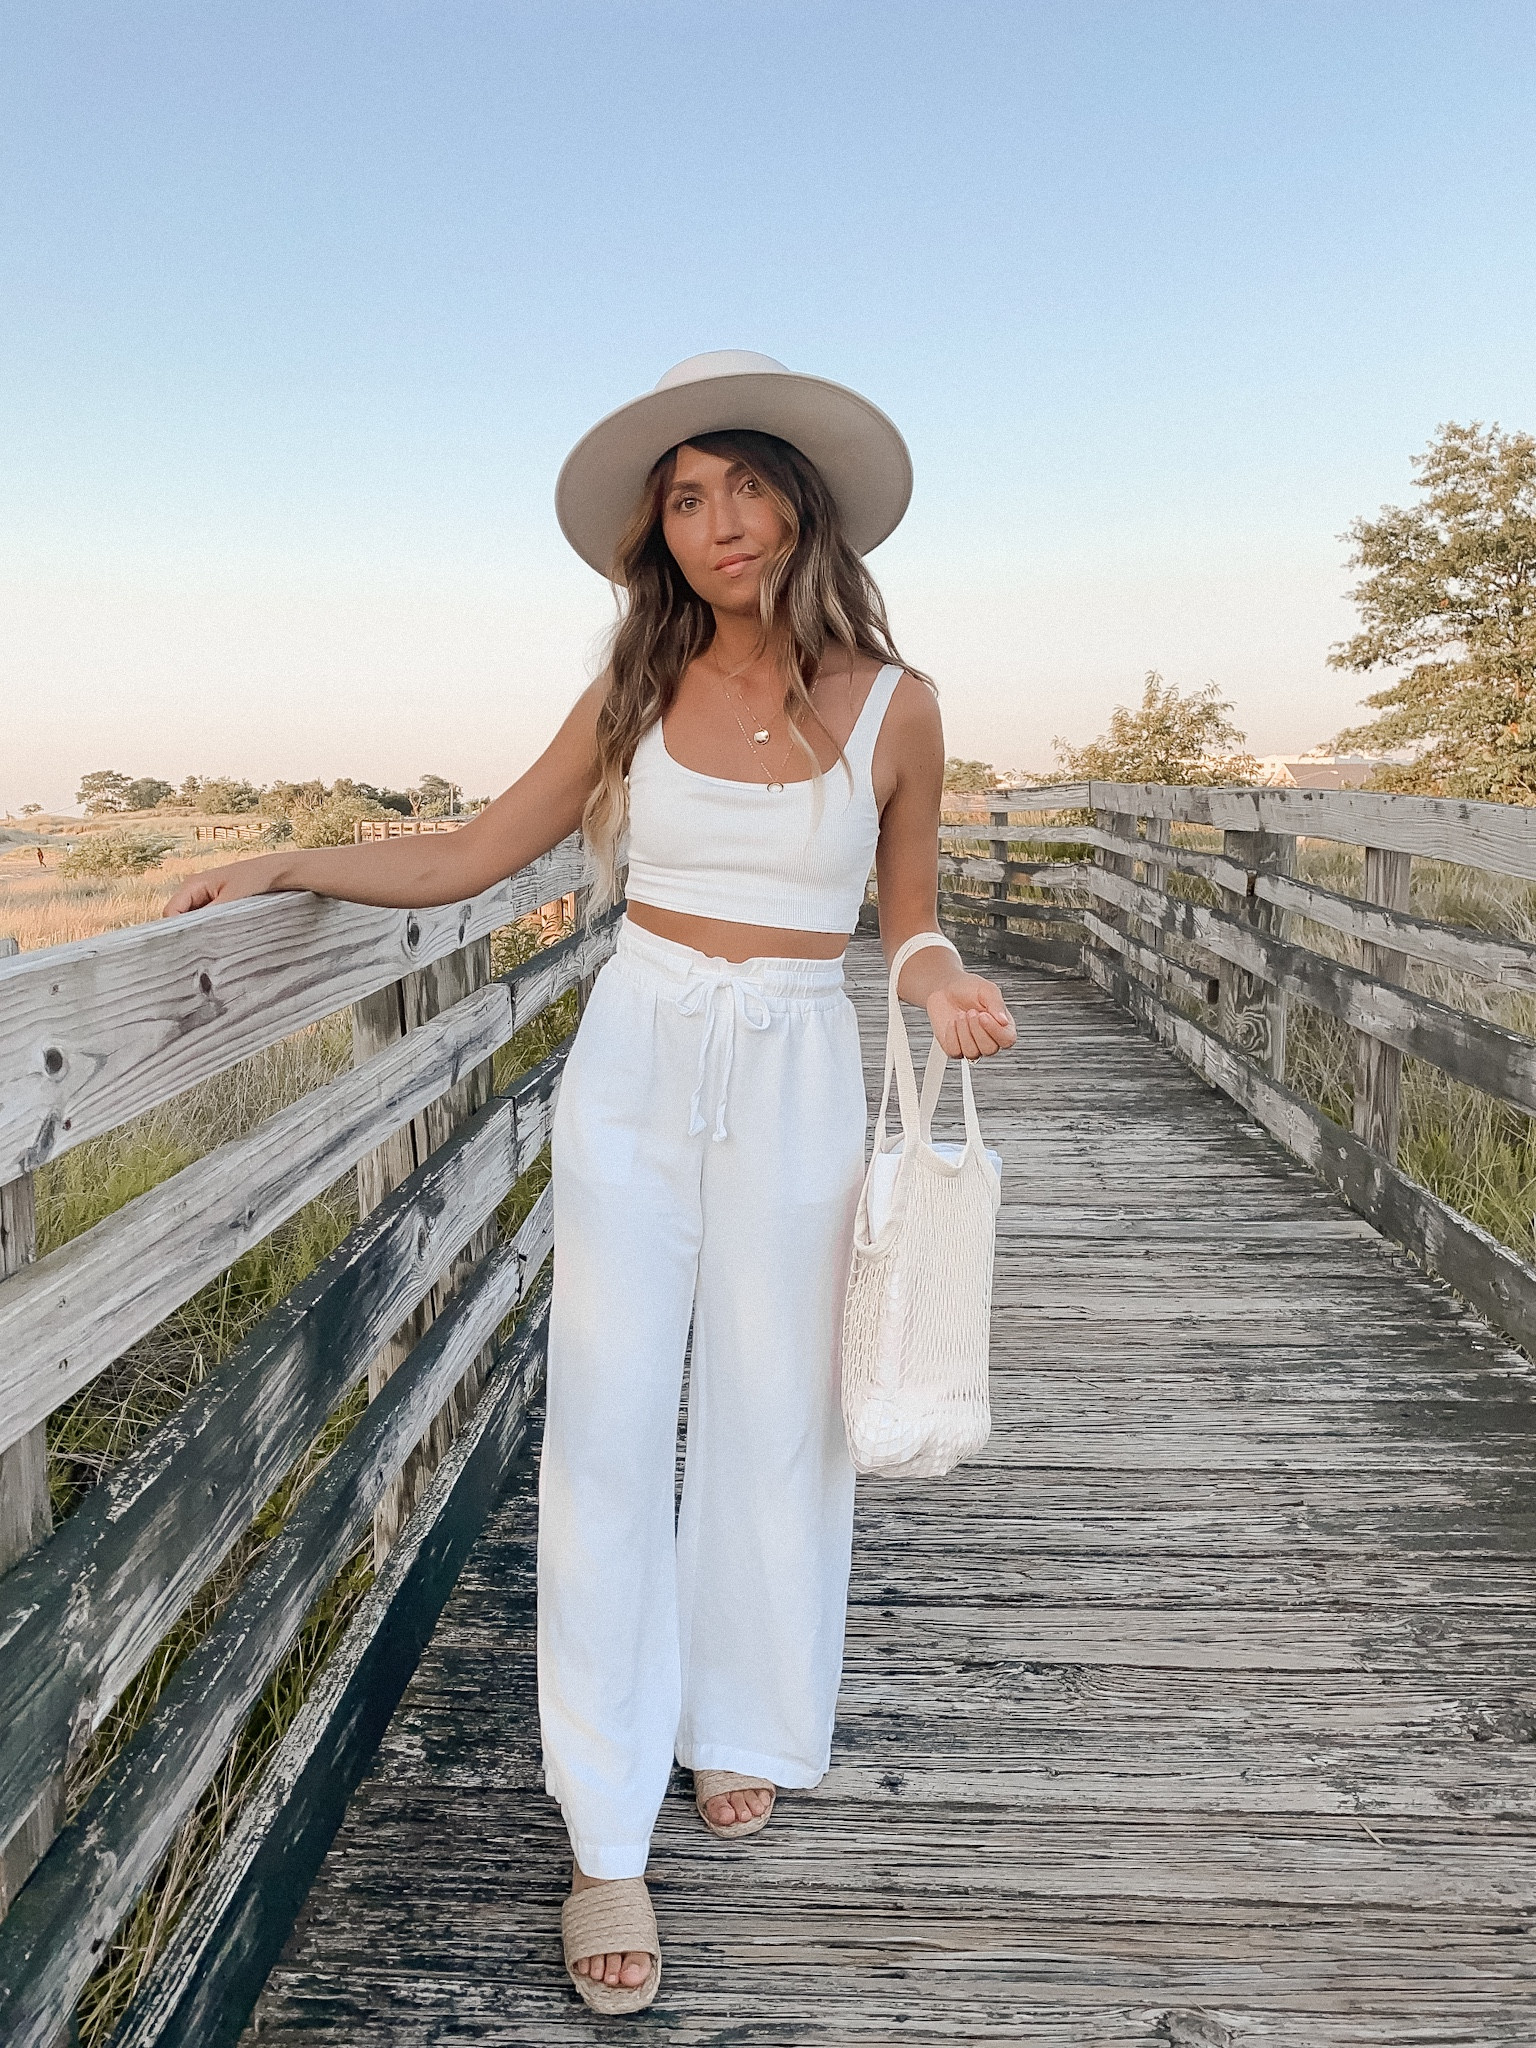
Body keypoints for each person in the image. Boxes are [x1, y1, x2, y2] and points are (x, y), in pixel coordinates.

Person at [164, 350, 1017, 2016]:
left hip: (796, 1058)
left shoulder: (897, 704)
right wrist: (289, 859)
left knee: (778, 1406)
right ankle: (606, 1824)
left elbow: (908, 921)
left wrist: (943, 986)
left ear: (802, 503)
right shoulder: (637, 686)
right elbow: (474, 852)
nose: (721, 521)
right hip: (638, 1056)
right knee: (612, 1424)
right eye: (686, 500)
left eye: (745, 486)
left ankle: (744, 1716)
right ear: (659, 535)